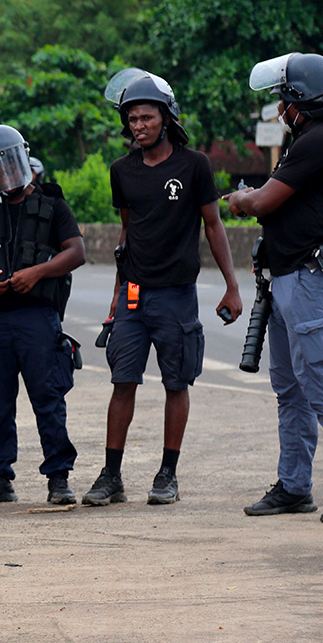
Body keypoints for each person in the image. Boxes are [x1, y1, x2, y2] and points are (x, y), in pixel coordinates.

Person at [227, 51, 323, 523]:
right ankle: (294, 486)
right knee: (290, 387)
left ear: (302, 101)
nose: (279, 110)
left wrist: (240, 199)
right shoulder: (312, 140)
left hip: (315, 276)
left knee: (319, 380)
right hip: (292, 274)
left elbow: (265, 199)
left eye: (284, 100)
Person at [83, 68, 242, 508]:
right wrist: (117, 295)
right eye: (132, 119)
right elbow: (126, 234)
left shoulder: (195, 166)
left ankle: (167, 474)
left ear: (166, 118)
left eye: (146, 117)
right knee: (123, 381)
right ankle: (111, 476)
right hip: (134, 294)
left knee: (176, 383)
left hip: (176, 295)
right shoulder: (122, 171)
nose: (138, 125)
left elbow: (214, 225)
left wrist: (231, 286)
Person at [0, 124, 86, 506]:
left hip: (36, 317)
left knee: (48, 398)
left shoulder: (51, 205)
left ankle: (58, 478)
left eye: (4, 164)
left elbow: (75, 251)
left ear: (20, 161)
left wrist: (37, 273)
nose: (0, 174)